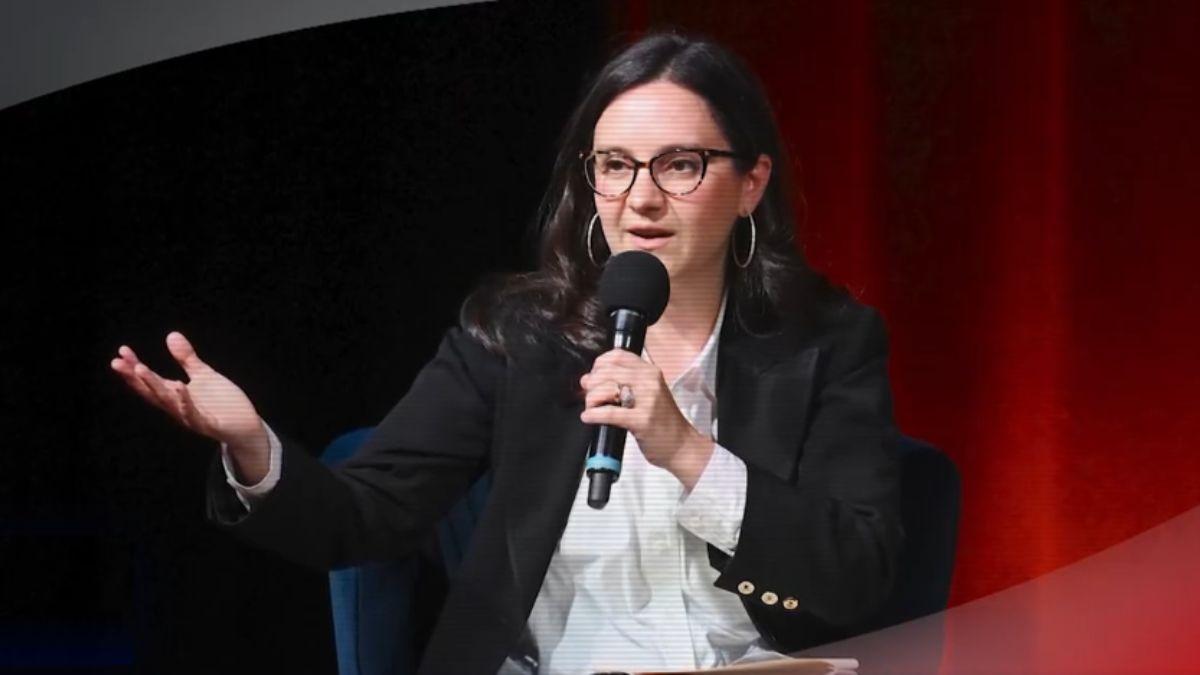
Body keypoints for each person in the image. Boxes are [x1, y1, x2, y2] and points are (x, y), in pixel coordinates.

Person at [111, 30, 903, 675]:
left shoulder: (826, 342)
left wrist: (688, 451)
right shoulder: (520, 337)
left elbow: (858, 573)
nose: (643, 198)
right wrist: (253, 445)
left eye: (681, 164)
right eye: (616, 166)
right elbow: (362, 519)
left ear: (751, 182)